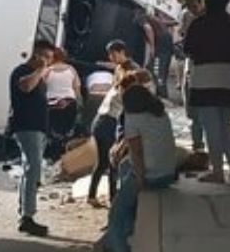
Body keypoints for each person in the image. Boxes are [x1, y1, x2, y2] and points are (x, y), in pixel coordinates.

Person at [96, 84, 178, 252]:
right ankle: (112, 239)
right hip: (168, 172)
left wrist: (140, 179)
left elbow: (136, 152)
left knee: (117, 212)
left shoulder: (133, 118)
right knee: (125, 167)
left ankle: (117, 246)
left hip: (151, 175)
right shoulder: (161, 114)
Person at [183, 0, 230, 184]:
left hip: (204, 78)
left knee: (211, 126)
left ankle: (218, 172)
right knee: (226, 125)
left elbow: (188, 50)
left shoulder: (198, 24)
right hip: (229, 77)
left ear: (205, 0)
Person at [10, 39, 55, 237]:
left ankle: (25, 213)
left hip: (39, 128)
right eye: (44, 56)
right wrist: (39, 70)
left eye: (49, 59)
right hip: (27, 127)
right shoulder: (21, 72)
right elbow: (25, 87)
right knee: (33, 169)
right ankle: (27, 216)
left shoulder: (40, 78)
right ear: (35, 54)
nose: (46, 61)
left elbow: (36, 98)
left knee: (31, 170)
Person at [88, 56, 139, 208]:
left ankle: (93, 196)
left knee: (102, 162)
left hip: (99, 123)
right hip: (107, 125)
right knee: (112, 162)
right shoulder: (124, 94)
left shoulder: (115, 88)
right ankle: (113, 197)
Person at [178, 0, 206, 153]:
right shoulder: (187, 16)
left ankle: (205, 146)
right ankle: (198, 144)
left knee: (204, 112)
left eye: (192, 5)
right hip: (192, 65)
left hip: (204, 69)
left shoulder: (207, 20)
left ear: (200, 0)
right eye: (187, 5)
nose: (190, 9)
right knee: (193, 110)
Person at [44, 47, 81, 160]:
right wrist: (79, 103)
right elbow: (77, 88)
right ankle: (62, 155)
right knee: (66, 131)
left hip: (52, 104)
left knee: (52, 130)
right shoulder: (71, 69)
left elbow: (41, 88)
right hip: (69, 103)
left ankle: (51, 154)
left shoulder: (47, 71)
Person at [148, 12, 176, 98]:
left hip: (160, 47)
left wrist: (152, 47)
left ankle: (162, 95)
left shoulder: (141, 16)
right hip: (166, 45)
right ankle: (161, 93)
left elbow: (147, 28)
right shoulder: (155, 19)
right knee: (160, 70)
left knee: (158, 71)